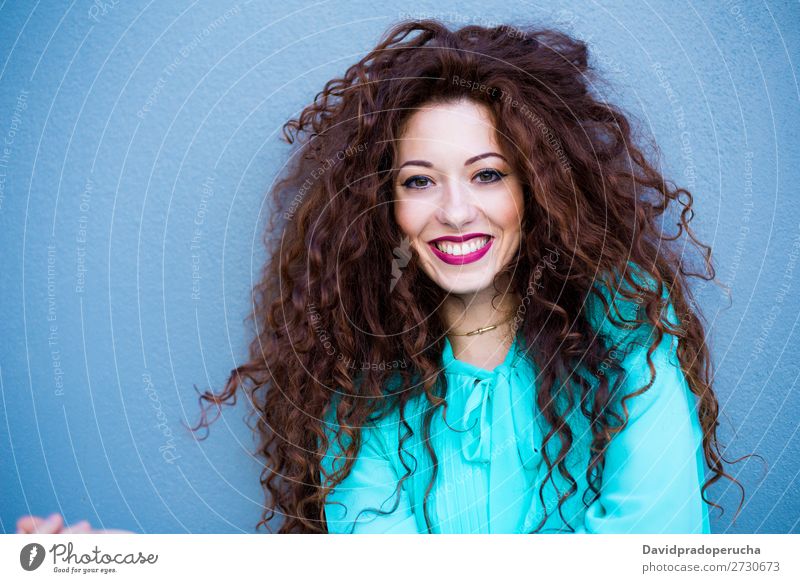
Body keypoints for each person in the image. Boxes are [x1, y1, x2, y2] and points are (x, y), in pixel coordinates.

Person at [17, 18, 744, 535]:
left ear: (539, 187)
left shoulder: (629, 331)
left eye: (488, 174)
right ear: (386, 205)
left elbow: (656, 544)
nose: (456, 212)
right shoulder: (360, 376)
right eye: (420, 181)